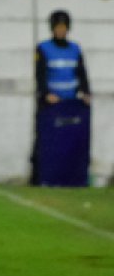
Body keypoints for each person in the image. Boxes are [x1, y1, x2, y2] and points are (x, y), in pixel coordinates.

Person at [31, 10, 91, 186]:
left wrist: (85, 93)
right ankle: (42, 177)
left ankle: (72, 178)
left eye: (63, 27)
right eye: (58, 27)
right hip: (51, 106)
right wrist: (45, 94)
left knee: (71, 142)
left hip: (70, 104)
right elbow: (40, 75)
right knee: (47, 144)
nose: (61, 31)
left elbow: (81, 73)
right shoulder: (43, 48)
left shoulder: (75, 49)